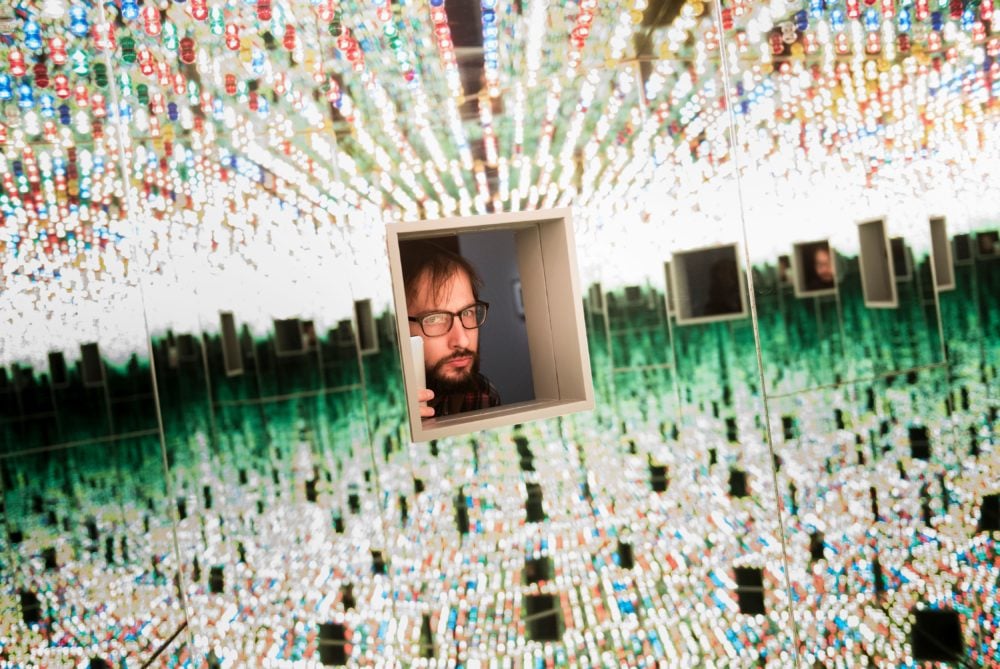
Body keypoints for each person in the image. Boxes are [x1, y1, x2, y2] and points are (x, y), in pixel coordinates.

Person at [400, 240, 501, 418]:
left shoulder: (481, 396)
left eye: (468, 312)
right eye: (435, 318)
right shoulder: (365, 411)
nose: (462, 340)